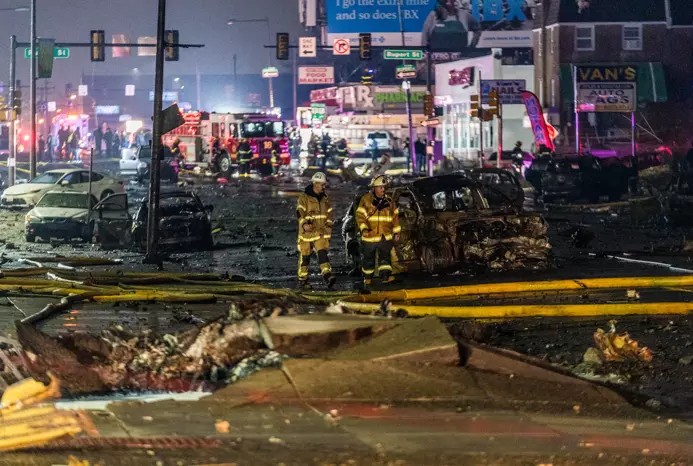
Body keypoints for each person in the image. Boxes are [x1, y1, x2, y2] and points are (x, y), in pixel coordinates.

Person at [356, 175, 401, 287]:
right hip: (370, 236)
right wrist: (364, 229)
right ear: (374, 188)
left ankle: (385, 277)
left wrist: (397, 232)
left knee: (385, 259)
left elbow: (395, 218)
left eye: (384, 187)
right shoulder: (366, 199)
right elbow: (360, 216)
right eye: (380, 187)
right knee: (368, 260)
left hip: (385, 237)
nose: (383, 189)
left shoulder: (389, 201)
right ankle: (367, 279)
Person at [296, 172, 335, 290]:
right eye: (322, 184)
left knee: (322, 253)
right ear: (315, 183)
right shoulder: (304, 198)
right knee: (305, 257)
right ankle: (303, 280)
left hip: (320, 232)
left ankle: (327, 276)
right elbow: (299, 212)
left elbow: (330, 215)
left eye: (324, 184)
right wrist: (304, 225)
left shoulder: (325, 199)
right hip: (307, 233)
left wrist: (328, 229)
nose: (324, 187)